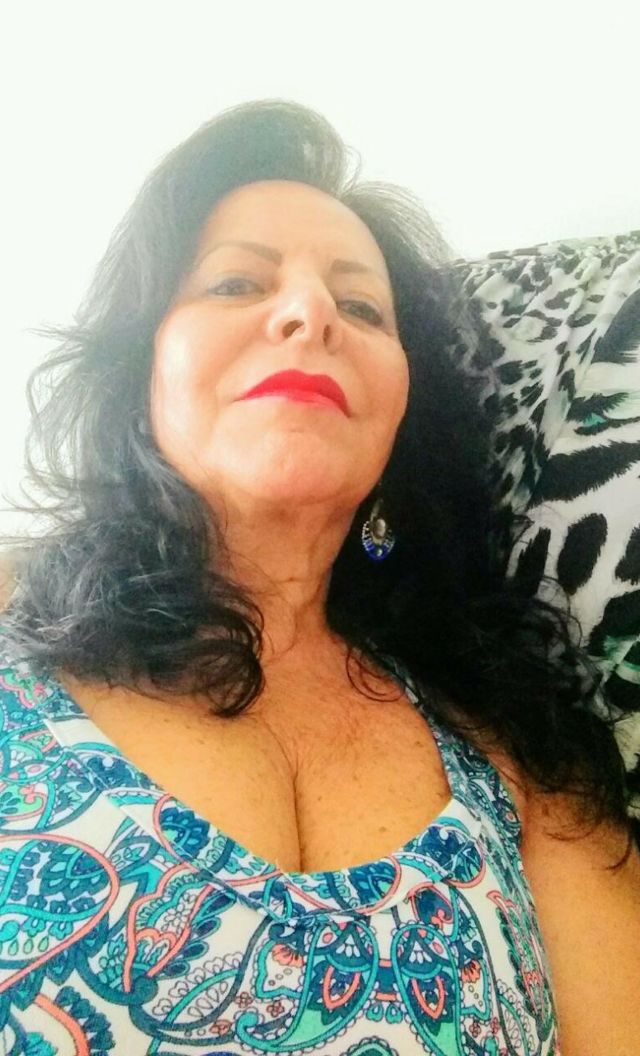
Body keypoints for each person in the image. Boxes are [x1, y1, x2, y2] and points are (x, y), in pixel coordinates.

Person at [0, 98, 638, 1056]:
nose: (310, 314)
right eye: (235, 283)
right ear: (139, 371)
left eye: (363, 307)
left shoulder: (515, 754)